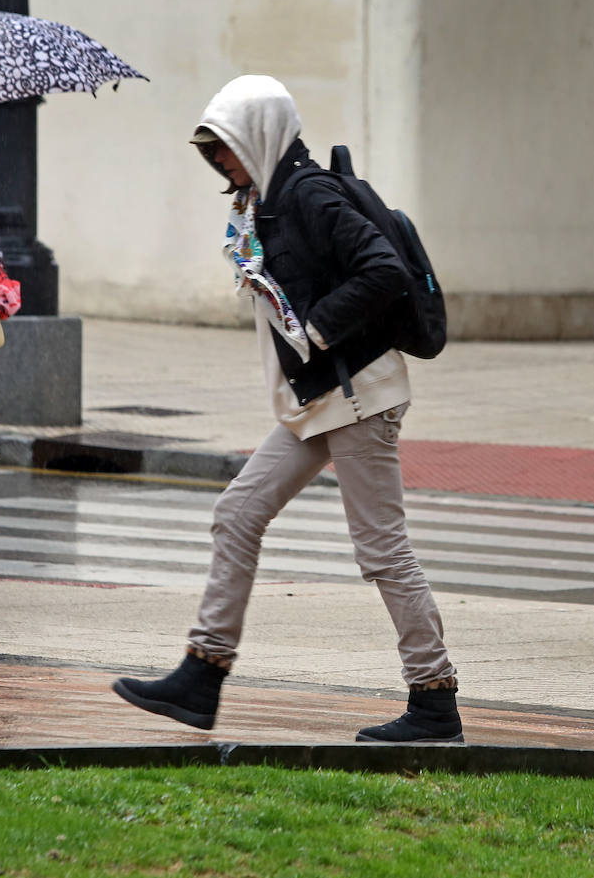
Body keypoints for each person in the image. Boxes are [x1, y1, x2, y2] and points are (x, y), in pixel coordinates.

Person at [112, 75, 462, 743]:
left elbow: (383, 270)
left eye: (230, 147)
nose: (222, 162)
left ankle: (434, 698)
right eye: (214, 152)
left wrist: (319, 329)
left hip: (356, 395)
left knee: (382, 550)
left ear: (263, 135)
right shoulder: (265, 201)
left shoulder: (308, 194)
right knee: (237, 512)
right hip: (320, 398)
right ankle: (202, 673)